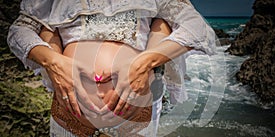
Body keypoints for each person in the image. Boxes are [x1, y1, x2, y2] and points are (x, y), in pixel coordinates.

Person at [7, 0, 217, 136]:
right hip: (71, 112)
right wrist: (53, 61)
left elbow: (198, 30)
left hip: (134, 112)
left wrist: (146, 62)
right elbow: (19, 30)